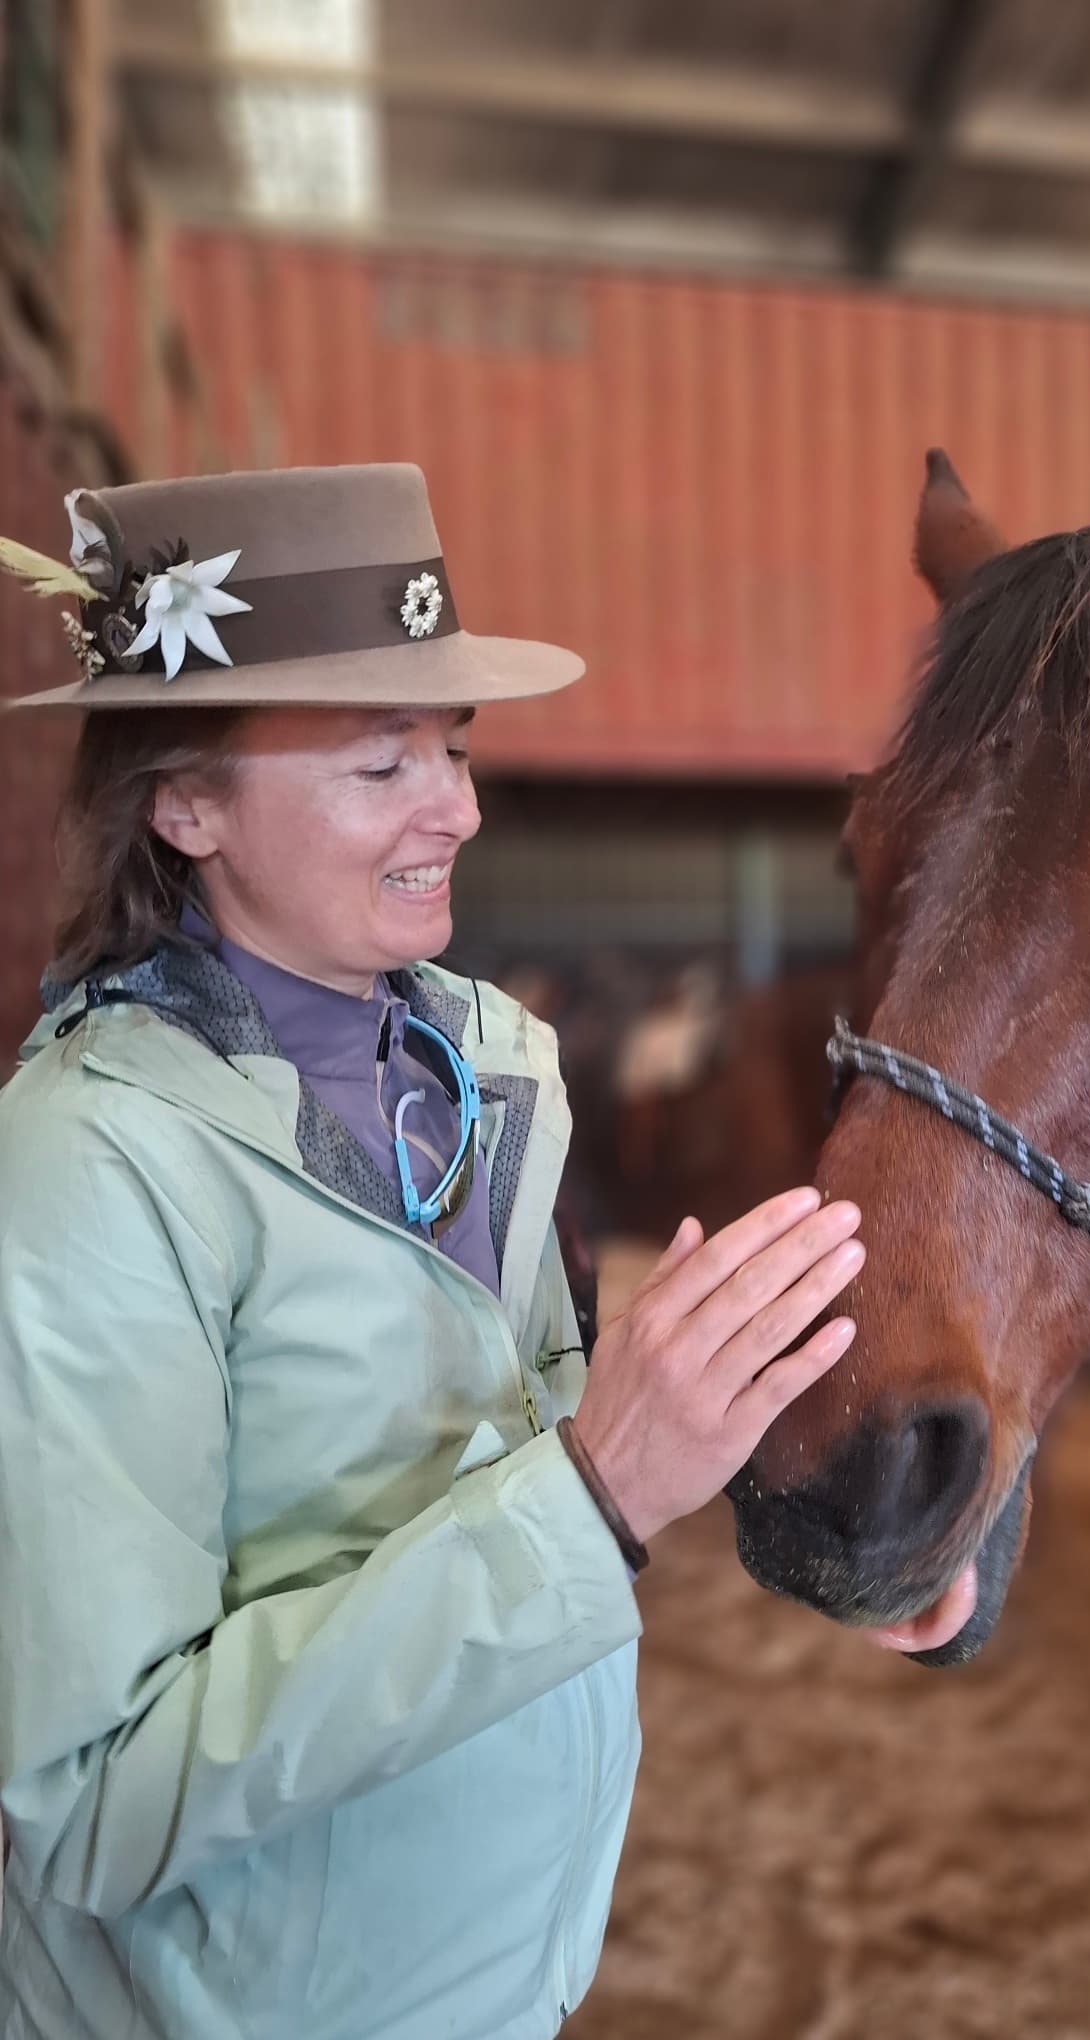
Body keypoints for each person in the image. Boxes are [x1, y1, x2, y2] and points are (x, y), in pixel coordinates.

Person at [0, 464, 864, 2039]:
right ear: (184, 805)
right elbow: (93, 1801)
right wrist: (596, 1493)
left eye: (454, 752)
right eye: (381, 759)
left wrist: (847, 1514)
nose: (457, 808)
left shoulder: (492, 1062)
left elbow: (507, 1462)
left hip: (497, 1979)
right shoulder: (91, 1166)